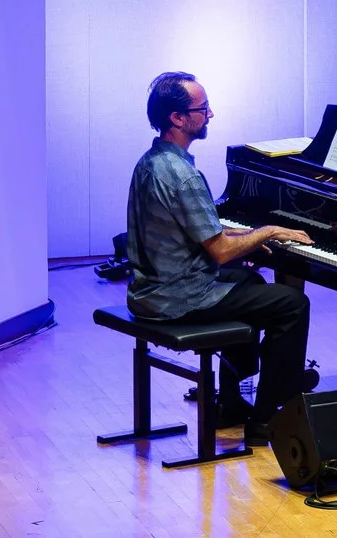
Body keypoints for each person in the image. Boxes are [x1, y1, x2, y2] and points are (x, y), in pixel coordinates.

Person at [127, 72, 313, 443]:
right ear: (177, 118)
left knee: (251, 281)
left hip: (148, 290)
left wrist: (247, 236)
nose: (210, 114)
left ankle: (229, 400)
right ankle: (267, 419)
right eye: (203, 108)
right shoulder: (183, 175)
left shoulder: (151, 162)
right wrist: (269, 231)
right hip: (178, 298)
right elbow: (221, 250)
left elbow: (203, 232)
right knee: (293, 304)